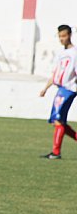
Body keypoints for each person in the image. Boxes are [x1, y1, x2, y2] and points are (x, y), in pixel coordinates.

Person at [40, 24, 77, 159]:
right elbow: (56, 73)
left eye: (64, 36)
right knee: (59, 120)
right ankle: (55, 152)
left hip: (69, 89)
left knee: (58, 120)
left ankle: (56, 152)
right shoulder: (62, 54)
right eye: (60, 36)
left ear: (70, 35)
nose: (62, 39)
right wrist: (45, 88)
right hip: (61, 89)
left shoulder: (74, 53)